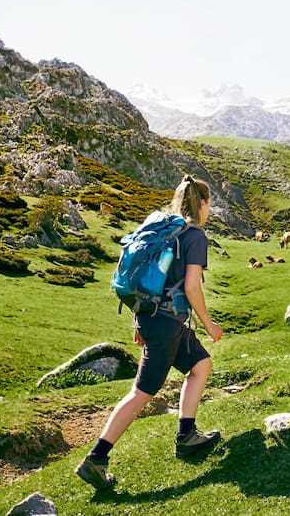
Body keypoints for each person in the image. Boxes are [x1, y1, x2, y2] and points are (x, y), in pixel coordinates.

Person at [76, 174, 224, 491]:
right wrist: (210, 324)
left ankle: (187, 435)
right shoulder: (194, 235)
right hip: (167, 324)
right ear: (201, 203)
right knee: (141, 393)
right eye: (209, 205)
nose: (209, 211)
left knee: (201, 365)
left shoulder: (164, 227)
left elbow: (145, 277)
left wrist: (139, 319)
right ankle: (96, 459)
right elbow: (191, 286)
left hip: (158, 321)